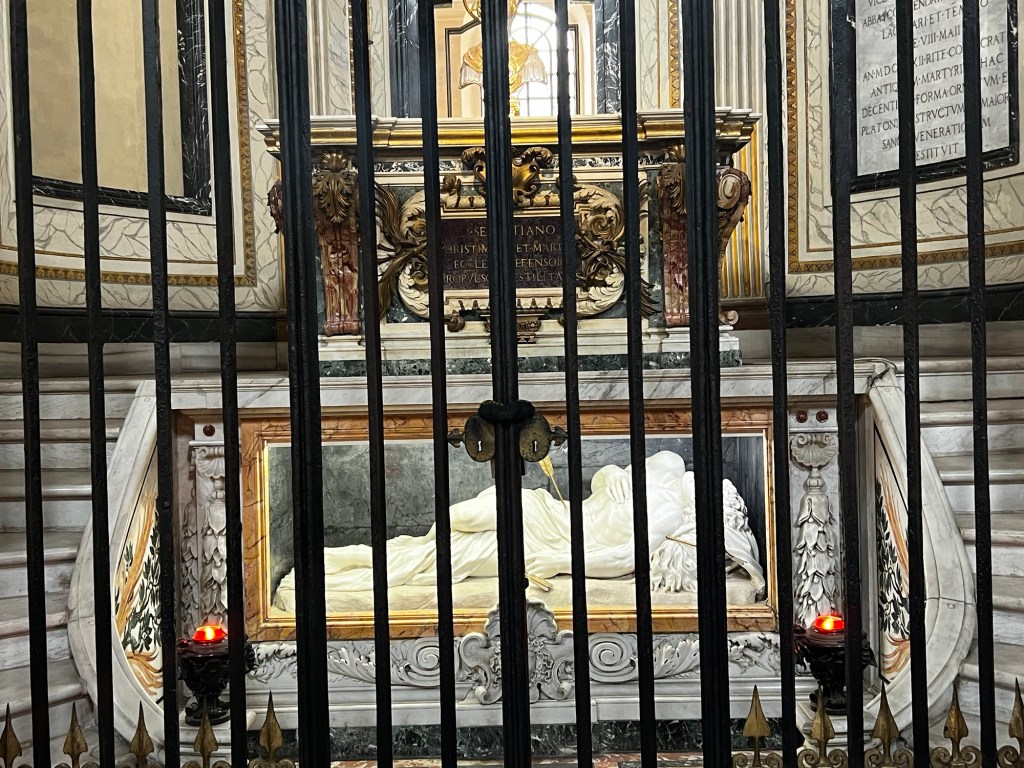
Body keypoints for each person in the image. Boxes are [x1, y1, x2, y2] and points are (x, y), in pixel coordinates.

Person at [273, 451, 765, 604]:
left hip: (547, 540)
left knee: (440, 556)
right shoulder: (669, 468)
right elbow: (609, 475)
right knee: (454, 523)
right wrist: (611, 479)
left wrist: (555, 561)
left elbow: (622, 560)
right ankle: (349, 564)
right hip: (547, 511)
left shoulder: (669, 516)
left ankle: (335, 570)